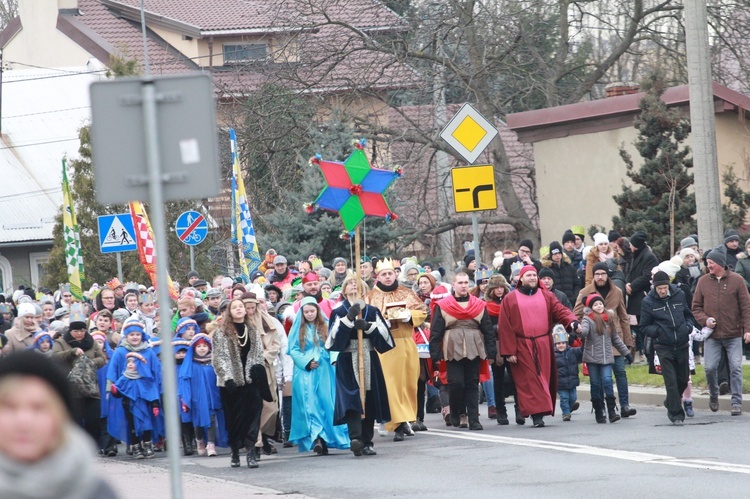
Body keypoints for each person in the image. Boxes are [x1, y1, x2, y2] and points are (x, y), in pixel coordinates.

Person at [0, 351, 118, 498]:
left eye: (39, 407)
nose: (24, 421)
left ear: (60, 416)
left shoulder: (95, 492)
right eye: (9, 407)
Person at [498, 265, 578, 427]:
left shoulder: (547, 296)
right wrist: (509, 351)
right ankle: (536, 415)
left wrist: (572, 321)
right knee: (530, 379)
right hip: (522, 345)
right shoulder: (510, 299)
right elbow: (505, 327)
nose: (533, 278)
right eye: (529, 275)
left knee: (543, 378)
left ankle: (540, 411)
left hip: (543, 344)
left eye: (535, 275)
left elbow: (561, 310)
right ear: (521, 278)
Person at [327, 275, 393, 457]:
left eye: (357, 283)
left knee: (370, 398)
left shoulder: (371, 311)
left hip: (369, 357)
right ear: (344, 289)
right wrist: (348, 320)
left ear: (363, 290)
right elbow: (333, 342)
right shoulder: (338, 311)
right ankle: (355, 438)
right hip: (348, 359)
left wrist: (368, 327)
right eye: (349, 283)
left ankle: (367, 441)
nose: (353, 285)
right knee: (351, 398)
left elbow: (386, 339)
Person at [366, 258, 429, 441]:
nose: (387, 277)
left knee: (407, 383)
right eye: (384, 274)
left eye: (390, 273)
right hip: (384, 346)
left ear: (395, 274)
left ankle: (406, 419)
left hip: (405, 342)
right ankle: (398, 423)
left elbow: (422, 311)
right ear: (378, 277)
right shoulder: (370, 296)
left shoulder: (406, 293)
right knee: (390, 384)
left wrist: (408, 315)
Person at [429, 272, 496, 431]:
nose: (464, 285)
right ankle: (457, 411)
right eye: (460, 282)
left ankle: (474, 419)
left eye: (466, 282)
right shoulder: (444, 305)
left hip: (474, 347)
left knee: (472, 383)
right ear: (454, 285)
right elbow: (436, 331)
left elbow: (487, 329)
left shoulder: (479, 305)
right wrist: (435, 354)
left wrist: (491, 351)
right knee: (456, 383)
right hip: (452, 348)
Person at [211, 298, 272, 468]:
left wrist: (256, 368)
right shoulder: (221, 332)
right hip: (230, 383)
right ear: (229, 311)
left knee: (253, 416)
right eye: (235, 307)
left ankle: (251, 451)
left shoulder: (252, 329)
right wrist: (228, 377)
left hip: (251, 381)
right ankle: (235, 451)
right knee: (233, 419)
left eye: (241, 307)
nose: (238, 309)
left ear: (246, 311)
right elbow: (219, 358)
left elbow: (258, 353)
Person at [573, 261, 637, 417]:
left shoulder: (616, 291)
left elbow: (623, 316)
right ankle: (601, 407)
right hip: (595, 341)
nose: (600, 277)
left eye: (603, 274)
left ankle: (624, 405)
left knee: (620, 372)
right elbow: (576, 315)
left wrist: (628, 341)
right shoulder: (585, 292)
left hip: (615, 338)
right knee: (600, 378)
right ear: (593, 276)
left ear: (607, 275)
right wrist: (584, 330)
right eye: (597, 274)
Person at [288, 297, 349, 455]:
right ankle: (317, 438)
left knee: (327, 402)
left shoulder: (326, 326)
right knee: (310, 404)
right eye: (306, 312)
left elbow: (335, 344)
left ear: (317, 311)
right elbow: (292, 349)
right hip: (306, 372)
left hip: (325, 369)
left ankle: (329, 436)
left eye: (312, 311)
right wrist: (306, 361)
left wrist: (335, 359)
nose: (309, 314)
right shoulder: (298, 329)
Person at [692, 249, 750, 415]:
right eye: (707, 262)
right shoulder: (703, 282)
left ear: (720, 263)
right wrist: (705, 320)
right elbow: (695, 307)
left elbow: (746, 307)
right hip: (712, 335)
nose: (708, 265)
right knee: (710, 368)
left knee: (736, 368)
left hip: (733, 334)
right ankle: (714, 394)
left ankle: (737, 402)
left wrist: (748, 329)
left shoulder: (737, 280)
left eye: (711, 262)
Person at [639, 271, 695, 424]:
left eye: (664, 288)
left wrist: (688, 327)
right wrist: (658, 332)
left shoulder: (679, 294)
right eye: (659, 289)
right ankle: (676, 414)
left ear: (668, 286)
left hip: (682, 343)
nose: (662, 291)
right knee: (671, 381)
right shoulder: (648, 302)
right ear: (655, 288)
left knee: (683, 380)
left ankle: (671, 401)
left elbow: (688, 315)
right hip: (663, 346)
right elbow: (644, 326)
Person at [51, 305, 107, 444]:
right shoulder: (61, 342)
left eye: (82, 330)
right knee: (73, 421)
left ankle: (91, 445)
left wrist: (90, 363)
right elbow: (55, 357)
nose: (80, 333)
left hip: (89, 387)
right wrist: (71, 352)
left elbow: (102, 358)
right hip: (70, 388)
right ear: (71, 330)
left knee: (93, 420)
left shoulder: (91, 342)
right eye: (76, 331)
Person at [580, 294, 633, 423]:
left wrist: (626, 353)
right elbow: (584, 332)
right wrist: (578, 330)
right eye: (595, 305)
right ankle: (599, 410)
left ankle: (611, 410)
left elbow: (615, 338)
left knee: (608, 381)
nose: (599, 306)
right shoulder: (588, 319)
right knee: (596, 384)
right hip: (592, 358)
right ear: (591, 307)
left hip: (607, 357)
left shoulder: (609, 318)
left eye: (600, 304)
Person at [178, 333, 227, 457]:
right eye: (198, 346)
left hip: (211, 396)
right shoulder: (191, 364)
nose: (202, 348)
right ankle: (199, 440)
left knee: (211, 418)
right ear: (194, 348)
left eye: (204, 346)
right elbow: (185, 381)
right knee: (198, 421)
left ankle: (211, 444)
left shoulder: (213, 363)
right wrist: (186, 399)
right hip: (197, 398)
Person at [625, 231, 659, 364]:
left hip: (642, 296)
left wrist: (632, 286)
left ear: (637, 245)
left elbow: (646, 276)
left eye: (632, 244)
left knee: (644, 327)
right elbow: (631, 271)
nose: (630, 247)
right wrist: (627, 283)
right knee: (638, 327)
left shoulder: (648, 256)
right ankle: (641, 352)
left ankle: (648, 353)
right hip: (635, 296)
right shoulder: (637, 254)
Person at [552, 325, 582, 421]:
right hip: (560, 383)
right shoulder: (553, 356)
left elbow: (582, 350)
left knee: (573, 398)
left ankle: (569, 409)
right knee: (564, 398)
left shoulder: (572, 352)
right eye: (558, 343)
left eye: (563, 343)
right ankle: (566, 413)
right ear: (555, 344)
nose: (561, 345)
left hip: (572, 382)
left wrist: (584, 338)